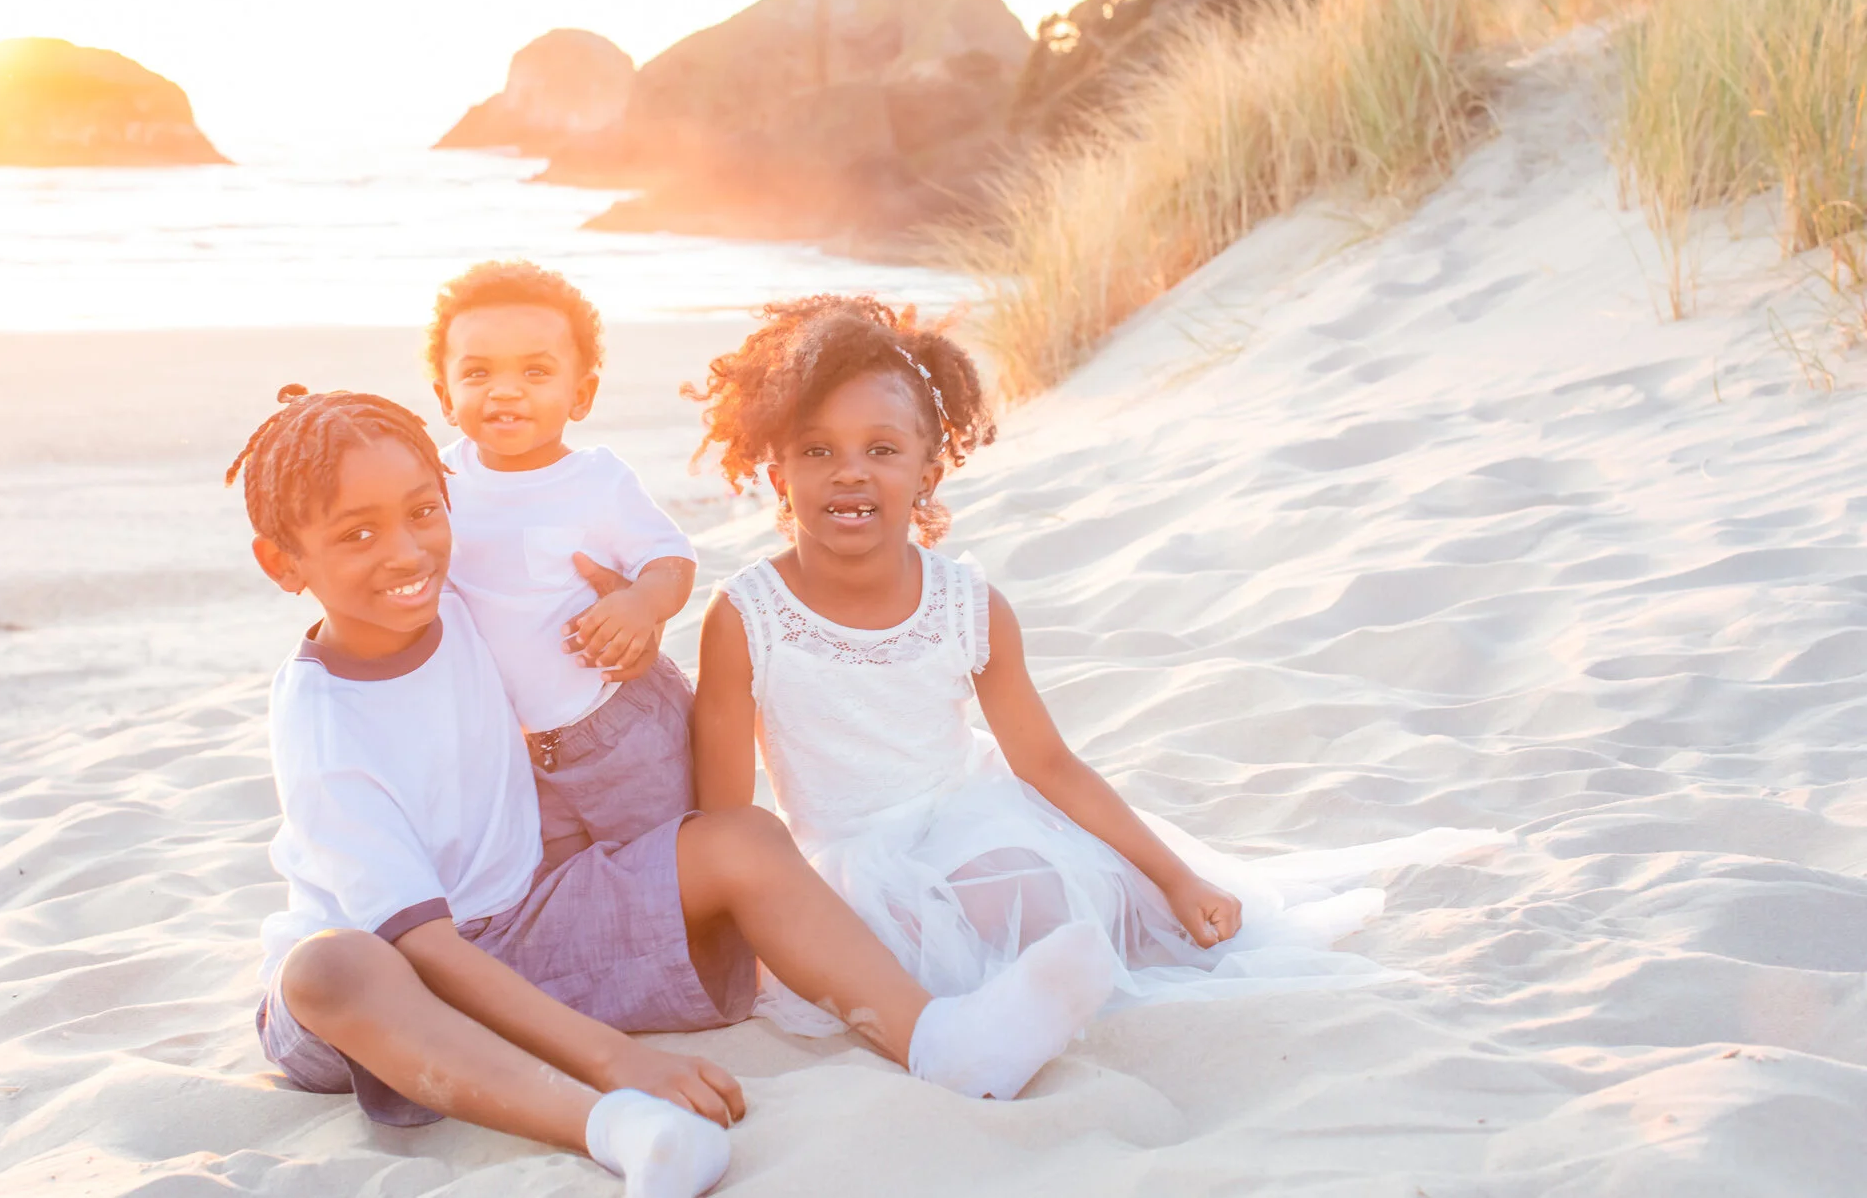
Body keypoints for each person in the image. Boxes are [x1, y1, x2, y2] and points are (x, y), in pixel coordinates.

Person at [227, 385, 1116, 1198]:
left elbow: (572, 546)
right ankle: (616, 1127)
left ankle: (940, 1040)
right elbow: (422, 941)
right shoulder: (325, 724)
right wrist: (617, 1063)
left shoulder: (448, 589)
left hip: (524, 925)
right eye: (357, 534)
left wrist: (639, 611)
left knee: (741, 836)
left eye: (424, 511)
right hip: (396, 984)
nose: (407, 550)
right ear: (281, 563)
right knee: (329, 965)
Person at [687, 296, 1500, 1034]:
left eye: (882, 448)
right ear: (775, 470)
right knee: (890, 941)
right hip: (849, 855)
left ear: (928, 470)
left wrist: (1175, 877)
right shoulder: (748, 616)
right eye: (817, 449)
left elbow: (1045, 762)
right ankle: (985, 1013)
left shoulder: (966, 604)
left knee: (1029, 889)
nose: (850, 471)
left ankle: (1051, 983)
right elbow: (729, 819)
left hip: (974, 823)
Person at [425, 261, 696, 870]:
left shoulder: (596, 480)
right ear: (445, 397)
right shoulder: (436, 481)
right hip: (515, 753)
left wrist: (641, 604)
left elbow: (670, 557)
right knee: (562, 886)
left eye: (536, 371)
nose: (505, 390)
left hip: (616, 727)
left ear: (582, 394)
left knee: (663, 867)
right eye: (477, 372)